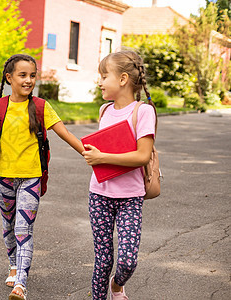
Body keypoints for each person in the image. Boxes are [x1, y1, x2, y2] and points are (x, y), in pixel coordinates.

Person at [0, 54, 85, 300]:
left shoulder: (40, 107)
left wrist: (89, 153)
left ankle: (20, 284)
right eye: (23, 75)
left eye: (33, 76)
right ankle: (13, 265)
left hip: (31, 178)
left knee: (23, 228)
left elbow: (65, 133)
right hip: (3, 176)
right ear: (9, 77)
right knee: (8, 225)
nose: (29, 81)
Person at [82, 50, 157, 300]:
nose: (100, 81)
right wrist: (96, 156)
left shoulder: (143, 112)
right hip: (99, 195)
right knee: (102, 262)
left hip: (130, 198)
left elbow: (142, 156)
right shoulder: (104, 111)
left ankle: (118, 285)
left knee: (127, 261)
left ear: (123, 79)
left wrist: (102, 157)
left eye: (104, 76)